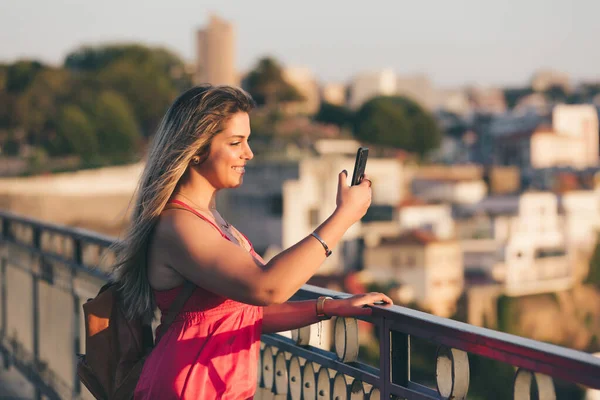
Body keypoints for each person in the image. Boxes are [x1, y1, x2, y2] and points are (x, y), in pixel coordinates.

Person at [111, 84, 393, 400]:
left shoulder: (209, 219)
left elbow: (244, 313)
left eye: (247, 141)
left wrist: (328, 307)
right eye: (235, 142)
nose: (249, 153)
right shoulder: (179, 225)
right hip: (186, 389)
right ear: (196, 149)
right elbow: (267, 286)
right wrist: (344, 216)